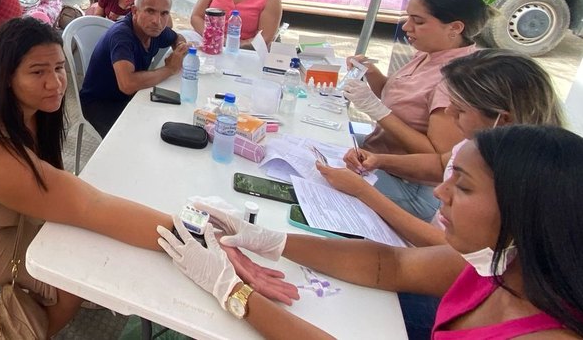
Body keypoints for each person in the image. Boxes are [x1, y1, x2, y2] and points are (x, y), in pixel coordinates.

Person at [0, 18, 298, 336]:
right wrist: (202, 239)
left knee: (101, 233)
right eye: (38, 72)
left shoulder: (23, 109)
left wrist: (196, 234)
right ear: (4, 77)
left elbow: (73, 196)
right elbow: (90, 205)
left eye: (60, 67)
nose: (56, 82)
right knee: (75, 272)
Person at [159, 125, 583, 340]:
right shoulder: (501, 264)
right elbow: (390, 263)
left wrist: (232, 291)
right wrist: (272, 241)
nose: (440, 192)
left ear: (526, 211)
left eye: (464, 187)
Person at [318, 49, 566, 248]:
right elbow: (441, 163)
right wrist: (379, 160)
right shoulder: (478, 144)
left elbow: (447, 251)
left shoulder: (514, 182)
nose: (448, 112)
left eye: (459, 109)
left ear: (504, 119)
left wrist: (365, 192)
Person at [343, 0, 494, 221]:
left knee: (320, 176)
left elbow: (438, 156)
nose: (406, 27)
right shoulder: (429, 53)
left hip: (411, 185)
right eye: (408, 17)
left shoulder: (454, 76)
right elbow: (399, 101)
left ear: (455, 28)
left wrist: (376, 110)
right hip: (380, 156)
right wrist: (370, 72)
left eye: (419, 21)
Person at [79, 0, 189, 138]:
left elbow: (178, 38)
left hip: (131, 97)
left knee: (173, 119)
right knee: (140, 140)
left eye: (164, 13)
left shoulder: (155, 30)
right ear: (135, 11)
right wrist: (170, 68)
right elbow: (128, 84)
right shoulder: (122, 36)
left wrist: (179, 51)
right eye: (150, 11)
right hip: (100, 104)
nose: (157, 21)